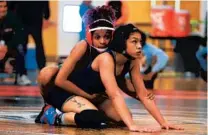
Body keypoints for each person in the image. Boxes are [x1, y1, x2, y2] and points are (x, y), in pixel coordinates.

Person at [37, 22, 184, 132]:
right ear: (122, 43)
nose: (140, 46)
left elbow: (143, 95)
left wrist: (163, 123)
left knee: (121, 119)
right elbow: (114, 95)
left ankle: (86, 110)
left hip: (95, 96)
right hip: (69, 93)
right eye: (134, 42)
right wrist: (132, 126)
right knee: (93, 118)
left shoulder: (132, 61)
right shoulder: (106, 58)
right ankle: (51, 114)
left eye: (140, 42)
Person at [8, 1, 50, 71]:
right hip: (33, 19)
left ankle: (21, 71)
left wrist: (11, 13)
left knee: (22, 46)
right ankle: (42, 69)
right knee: (37, 46)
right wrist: (46, 15)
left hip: (23, 19)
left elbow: (11, 5)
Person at [0, 0, 31, 85]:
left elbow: (19, 36)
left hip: (9, 47)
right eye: (0, 7)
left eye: (5, 7)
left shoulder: (13, 18)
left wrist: (7, 47)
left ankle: (22, 75)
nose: (3, 9)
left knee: (20, 48)